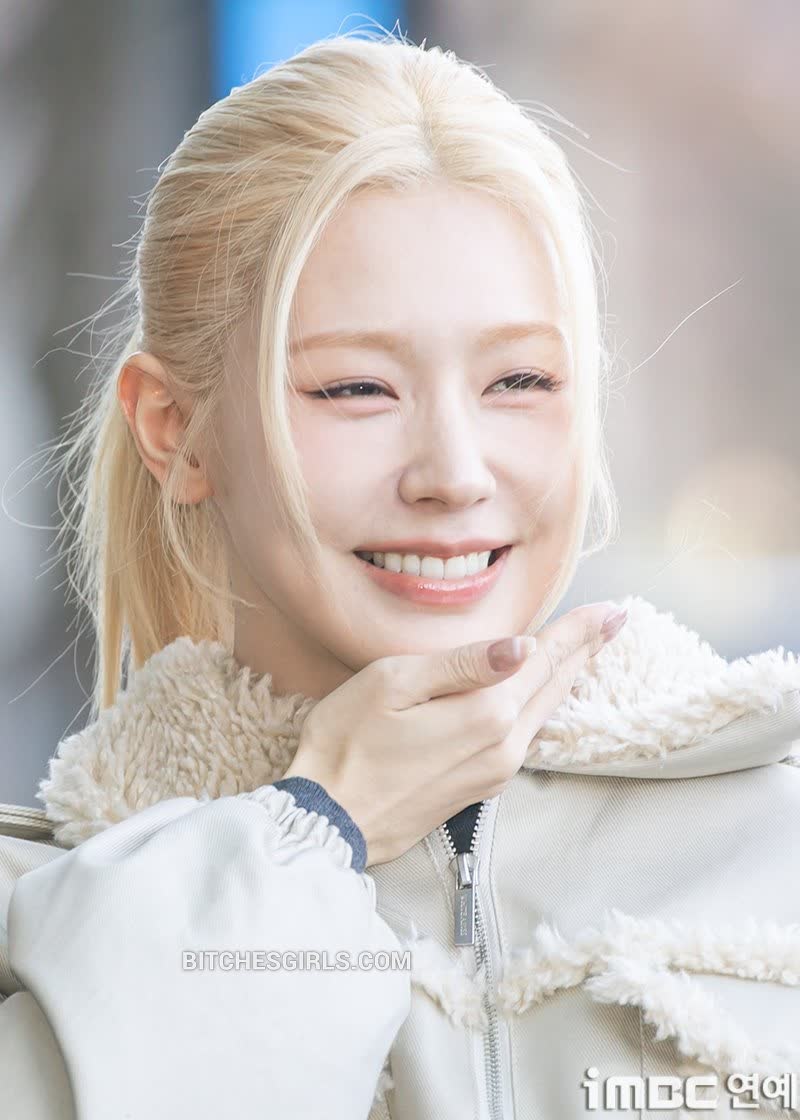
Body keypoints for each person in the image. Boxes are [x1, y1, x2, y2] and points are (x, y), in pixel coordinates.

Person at [2, 29, 800, 1120]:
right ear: (175, 429)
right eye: (355, 390)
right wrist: (311, 831)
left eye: (519, 380)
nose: (454, 473)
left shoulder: (773, 840)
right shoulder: (42, 922)